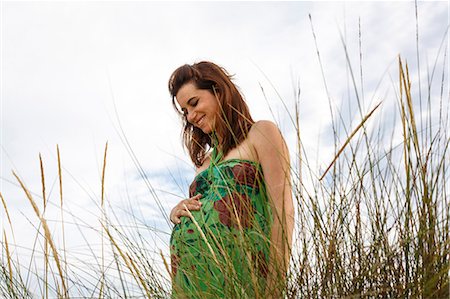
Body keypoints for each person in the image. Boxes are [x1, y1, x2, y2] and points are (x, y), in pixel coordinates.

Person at [168, 61, 294, 298]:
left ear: (218, 91)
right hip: (193, 281)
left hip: (245, 278)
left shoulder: (261, 133)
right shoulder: (203, 163)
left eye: (194, 103)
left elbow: (283, 209)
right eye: (185, 111)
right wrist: (177, 211)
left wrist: (275, 289)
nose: (191, 117)